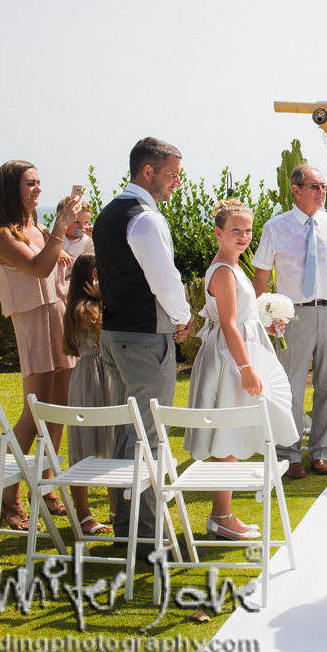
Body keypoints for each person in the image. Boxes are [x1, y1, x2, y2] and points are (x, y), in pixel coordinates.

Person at [92, 137, 192, 556]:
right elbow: (163, 279)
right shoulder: (145, 218)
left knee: (126, 430)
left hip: (114, 337)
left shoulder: (108, 214)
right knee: (150, 436)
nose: (176, 184)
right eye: (172, 175)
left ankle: (123, 526)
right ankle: (148, 535)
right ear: (147, 172)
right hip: (144, 339)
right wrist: (183, 316)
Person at [185, 199, 296, 540]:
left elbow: (243, 320)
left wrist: (265, 328)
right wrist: (246, 368)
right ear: (218, 232)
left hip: (239, 350)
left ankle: (222, 514)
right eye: (236, 230)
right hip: (230, 360)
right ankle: (221, 515)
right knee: (228, 436)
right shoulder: (222, 271)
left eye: (248, 230)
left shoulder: (231, 267)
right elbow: (230, 325)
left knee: (231, 435)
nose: (244, 236)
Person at [0, 160, 82, 531]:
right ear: (11, 189)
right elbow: (39, 269)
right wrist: (59, 231)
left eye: (40, 182)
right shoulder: (0, 236)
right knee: (34, 412)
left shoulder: (36, 228)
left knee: (58, 409)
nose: (38, 189)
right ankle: (9, 497)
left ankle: (47, 484)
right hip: (32, 320)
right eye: (30, 183)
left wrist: (63, 250)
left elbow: (53, 266)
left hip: (58, 316)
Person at [252, 165, 327, 479]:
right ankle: (289, 454)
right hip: (294, 317)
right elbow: (261, 275)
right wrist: (263, 315)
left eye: (323, 186)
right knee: (291, 387)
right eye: (314, 186)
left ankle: (321, 452)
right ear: (295, 190)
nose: (321, 191)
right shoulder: (275, 227)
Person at [60, 251, 115, 535]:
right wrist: (105, 298)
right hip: (95, 374)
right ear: (93, 276)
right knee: (85, 446)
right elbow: (109, 331)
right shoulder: (85, 310)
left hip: (98, 372)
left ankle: (115, 509)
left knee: (111, 442)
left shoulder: (82, 306)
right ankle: (84, 514)